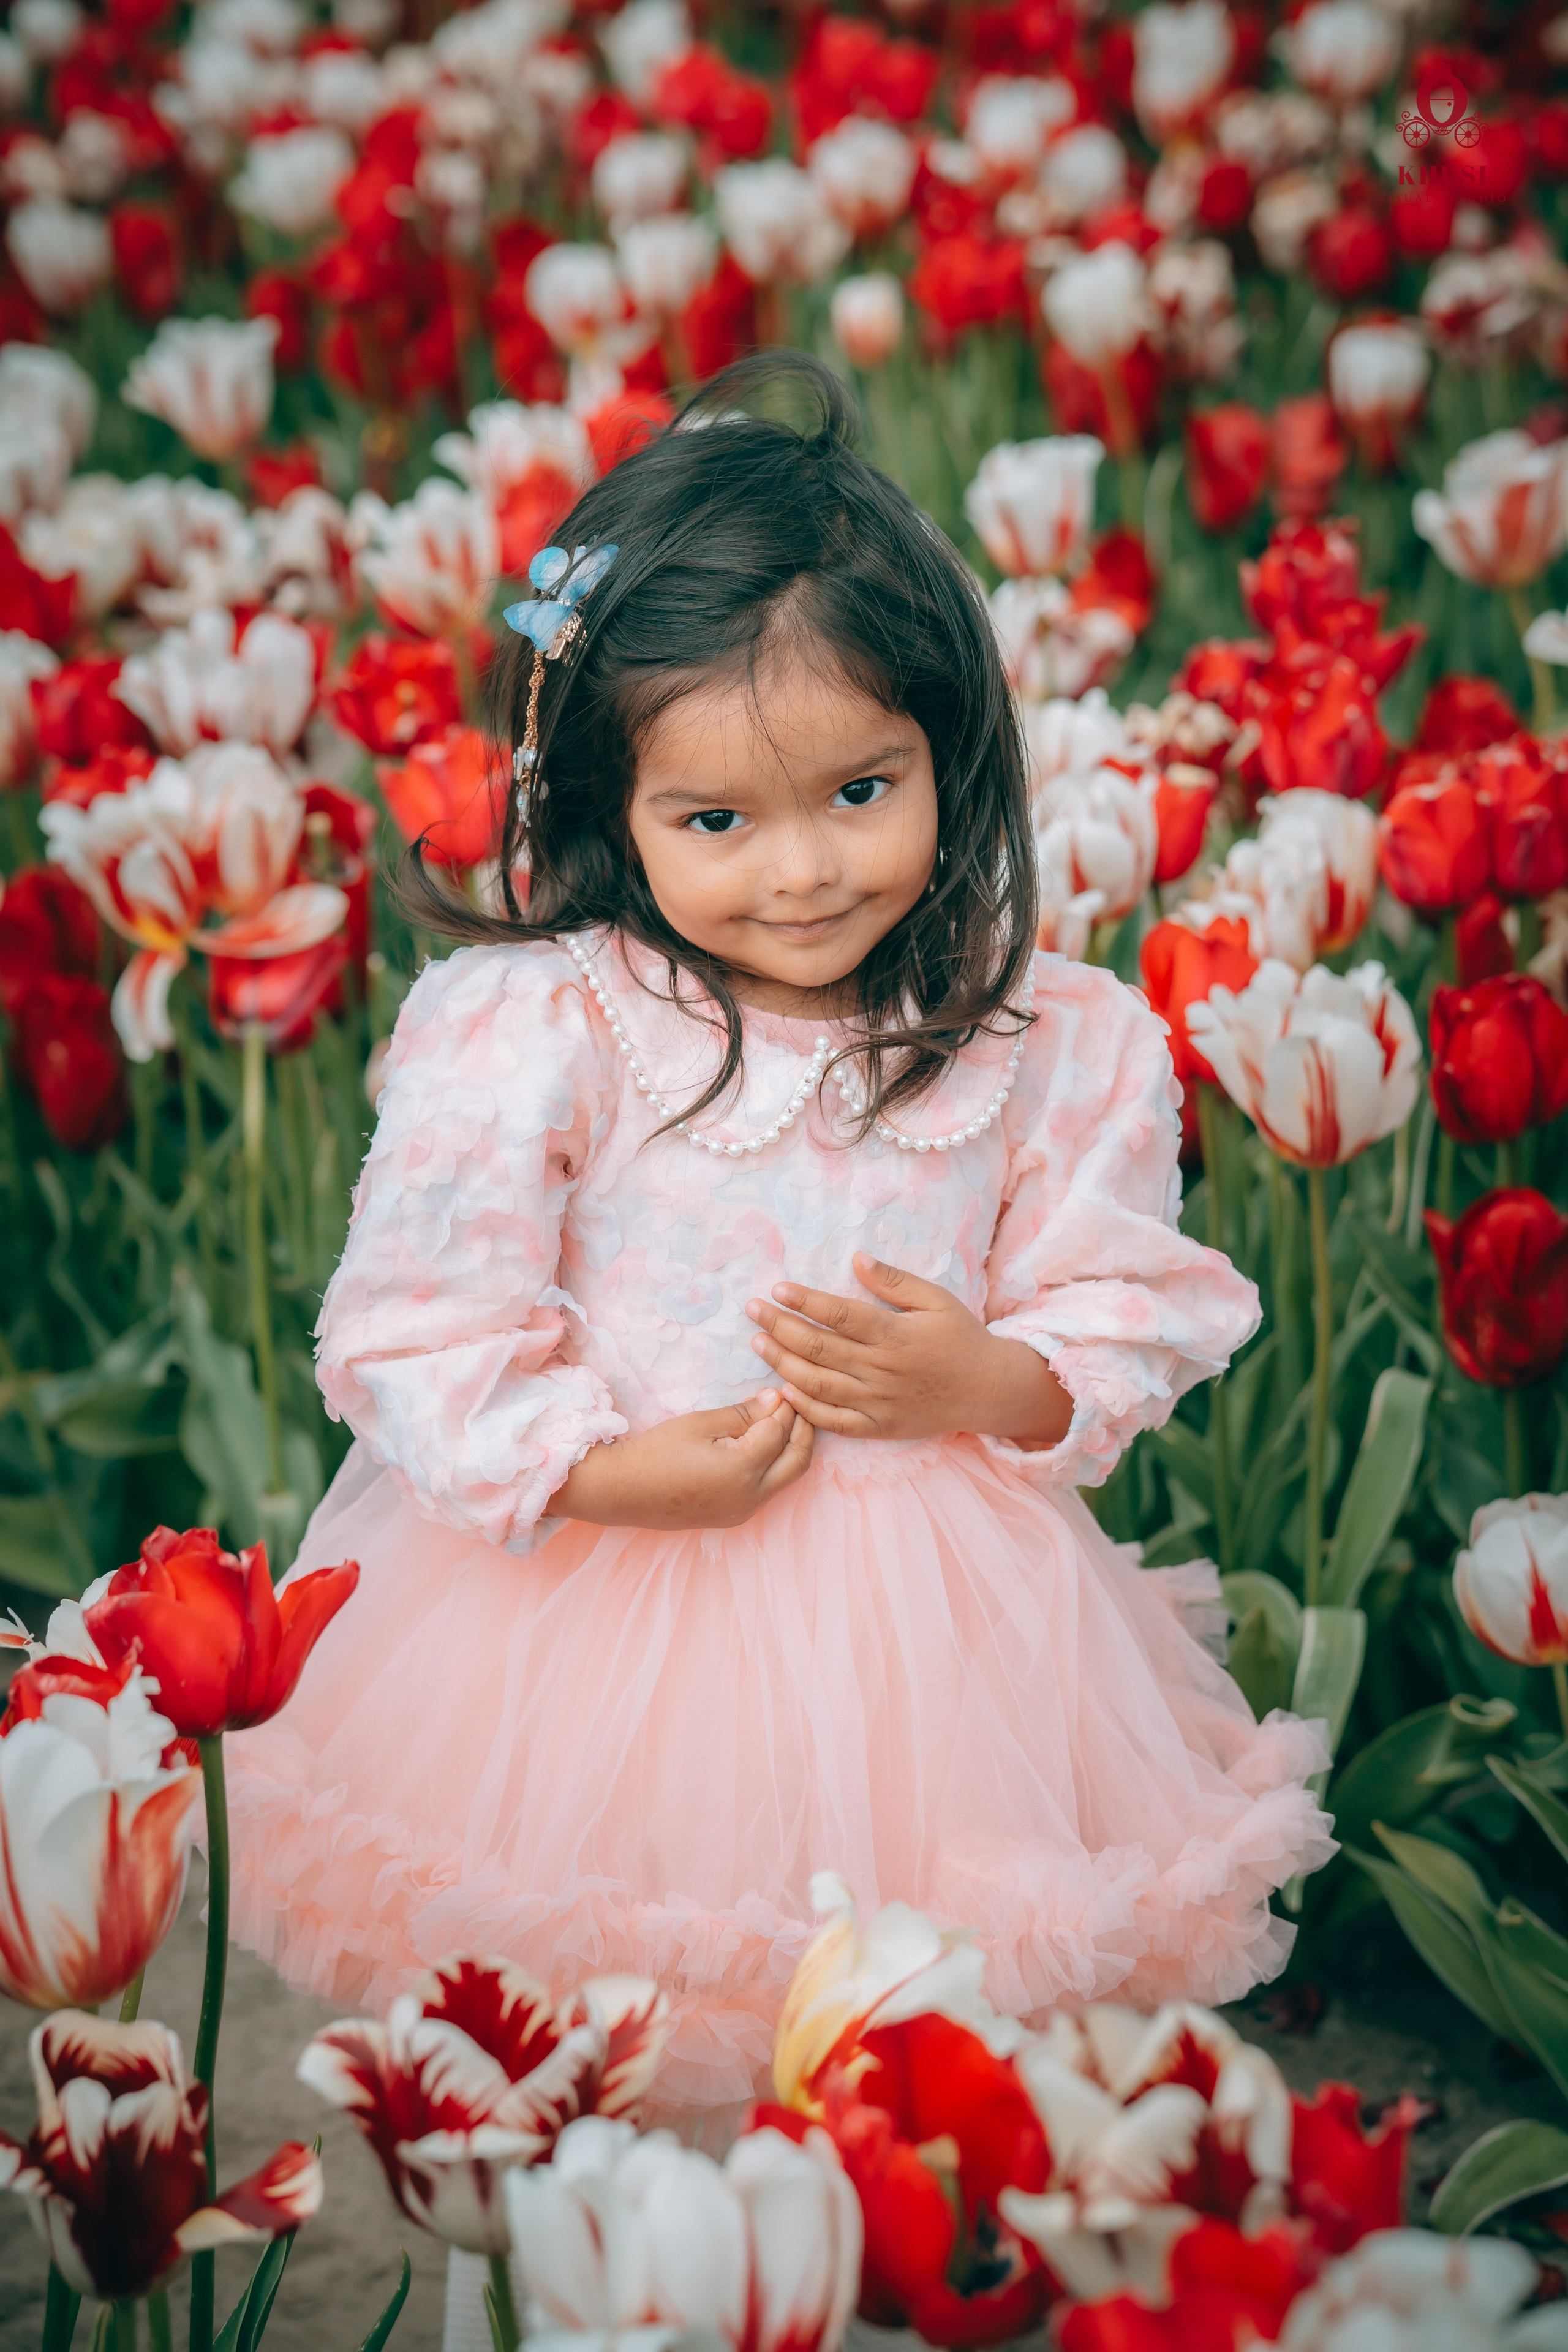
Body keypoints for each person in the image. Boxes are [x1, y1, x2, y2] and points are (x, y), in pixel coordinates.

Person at [225, 356, 1333, 2302]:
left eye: (861, 792)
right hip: (600, 1605)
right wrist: (605, 1463)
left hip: (945, 1633)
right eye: (718, 816)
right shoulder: (545, 1025)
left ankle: (881, 2237)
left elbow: (1111, 1297)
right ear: (612, 802)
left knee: (917, 1988)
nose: (804, 866)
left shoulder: (1034, 1039)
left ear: (950, 753)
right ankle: (659, 2271)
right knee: (632, 1995)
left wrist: (983, 1377)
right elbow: (422, 1317)